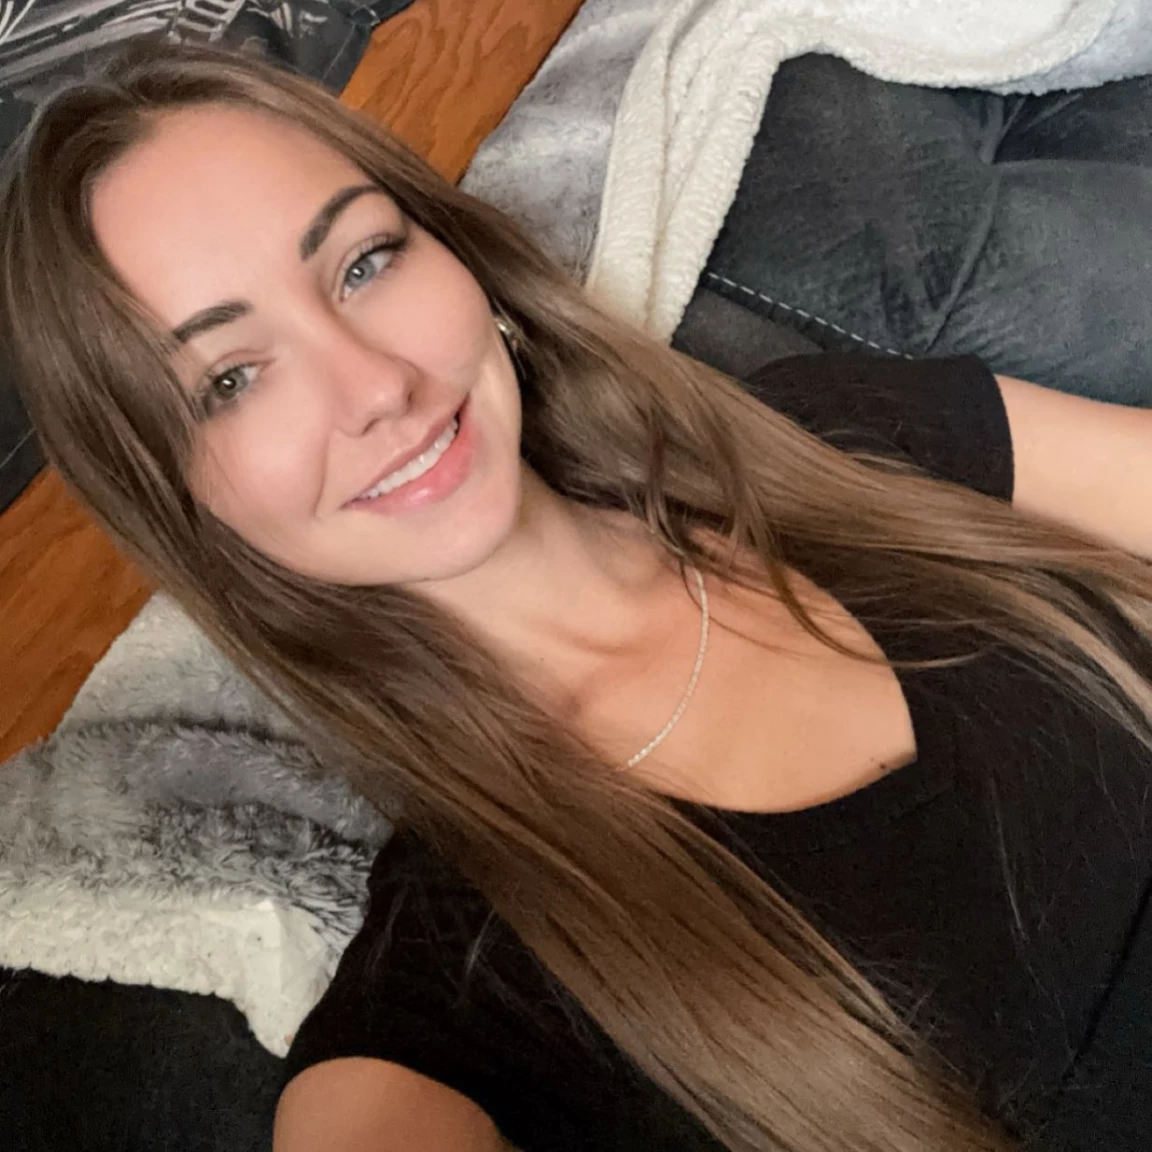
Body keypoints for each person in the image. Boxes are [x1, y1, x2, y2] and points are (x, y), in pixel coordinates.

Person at [3, 40, 1152, 1152]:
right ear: (185, 504)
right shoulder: (457, 989)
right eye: (231, 380)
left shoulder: (829, 436)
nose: (376, 387)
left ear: (459, 256)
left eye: (363, 264)